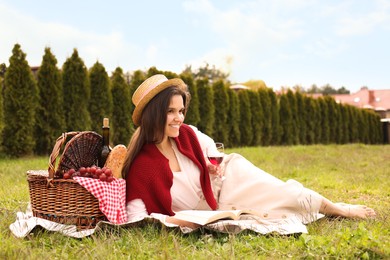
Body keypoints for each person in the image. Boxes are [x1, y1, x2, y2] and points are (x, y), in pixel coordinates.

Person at [122, 74, 376, 231]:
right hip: (209, 210)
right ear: (154, 114)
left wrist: (211, 165)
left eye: (181, 110)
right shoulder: (142, 166)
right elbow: (137, 218)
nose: (179, 118)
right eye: (170, 111)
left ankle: (338, 209)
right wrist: (177, 221)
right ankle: (327, 207)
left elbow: (212, 150)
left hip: (227, 181)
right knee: (272, 211)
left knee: (283, 193)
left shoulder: (186, 134)